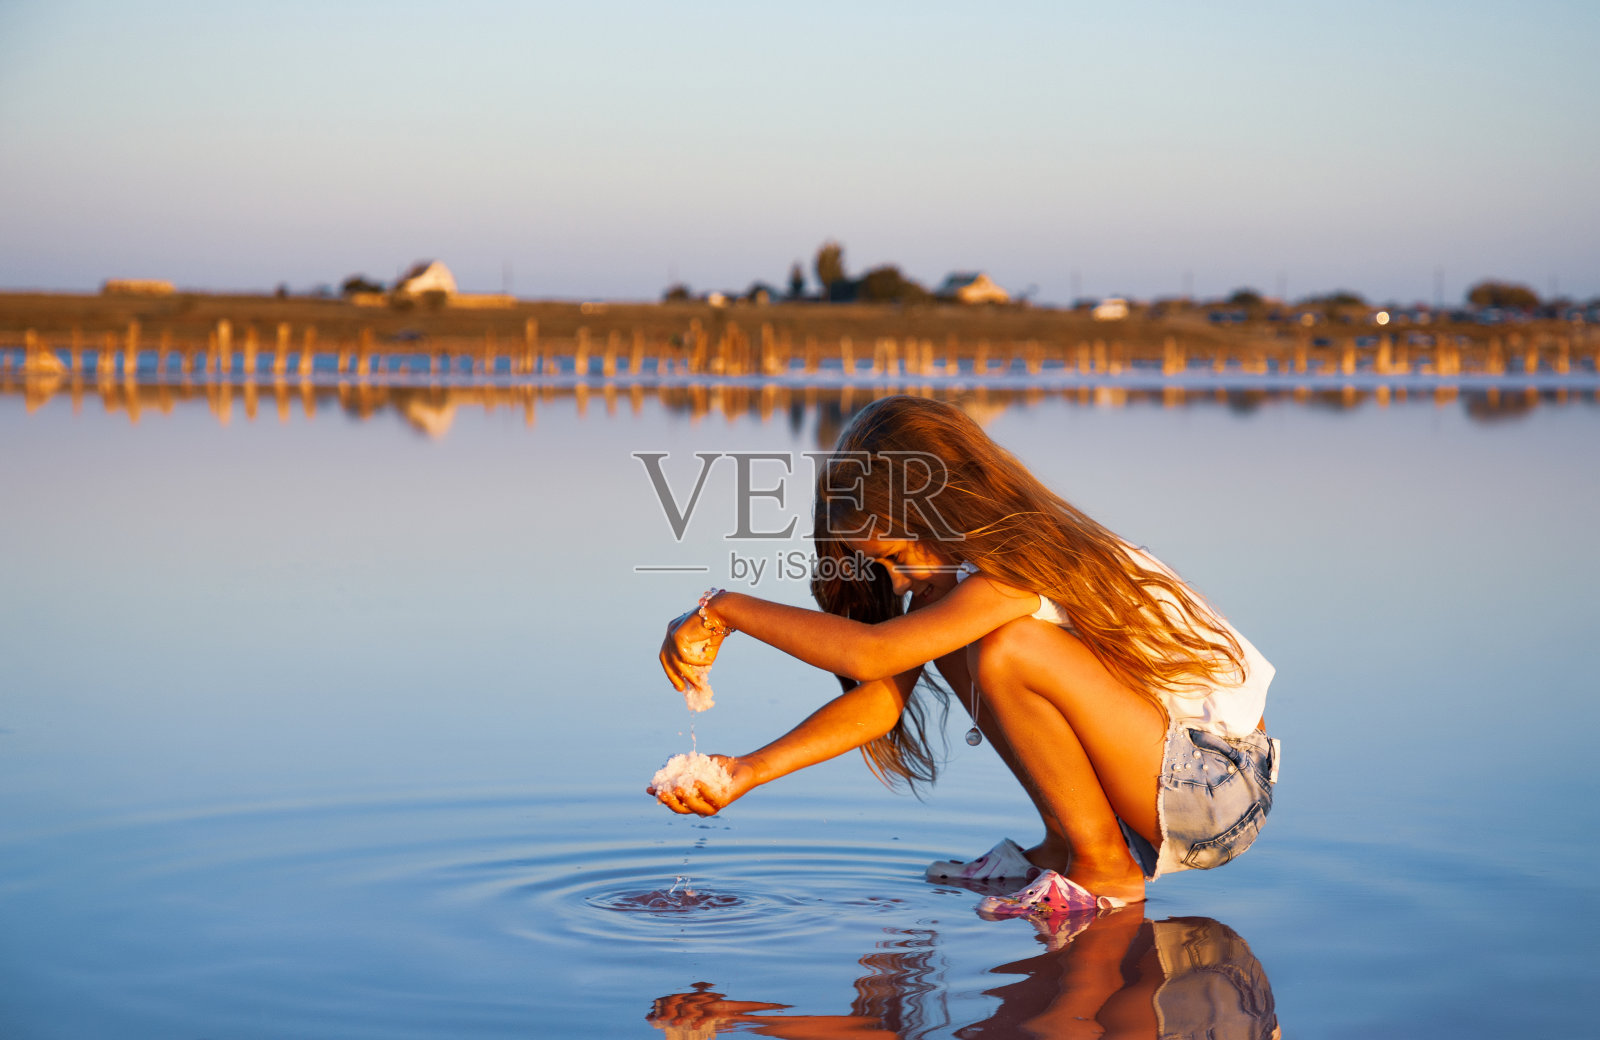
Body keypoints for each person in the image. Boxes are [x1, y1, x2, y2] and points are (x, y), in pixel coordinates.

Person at [654, 395, 1279, 907]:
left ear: (942, 506)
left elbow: (868, 654)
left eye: (895, 559)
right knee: (951, 636)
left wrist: (726, 608)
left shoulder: (1016, 566)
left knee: (1010, 651)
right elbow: (881, 698)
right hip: (1168, 776)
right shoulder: (958, 583)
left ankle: (1104, 869)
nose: (895, 582)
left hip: (1217, 785)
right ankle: (1065, 847)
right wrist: (747, 771)